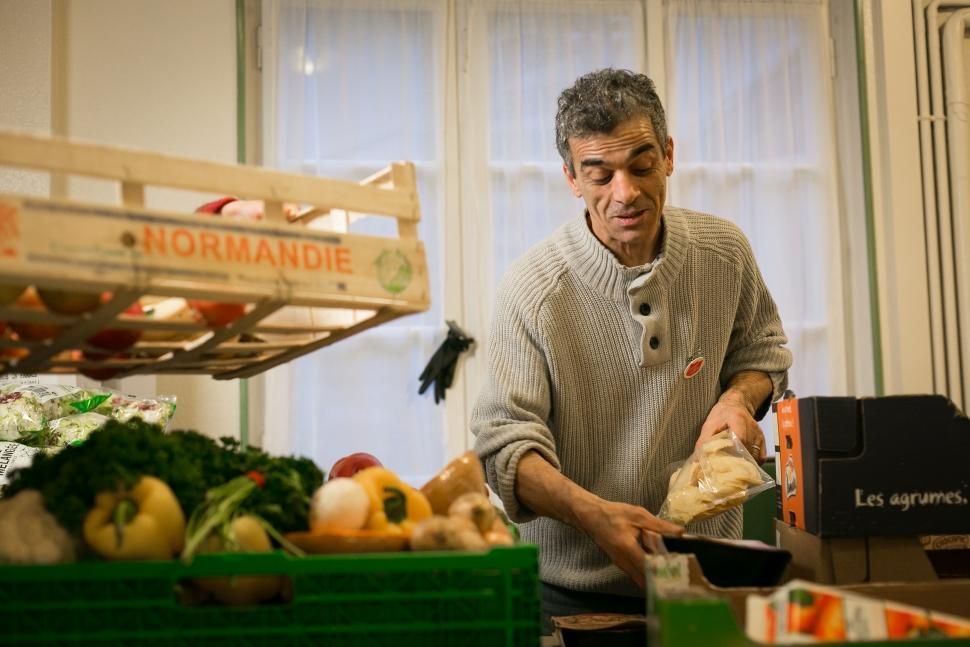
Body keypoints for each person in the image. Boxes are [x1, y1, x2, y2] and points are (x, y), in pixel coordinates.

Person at [469, 68, 792, 629]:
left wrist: (740, 400)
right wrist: (596, 517)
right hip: (573, 598)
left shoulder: (724, 253)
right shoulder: (533, 291)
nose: (626, 193)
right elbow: (504, 450)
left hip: (705, 581)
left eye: (642, 165)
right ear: (571, 178)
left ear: (668, 154)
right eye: (599, 174)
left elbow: (762, 354)